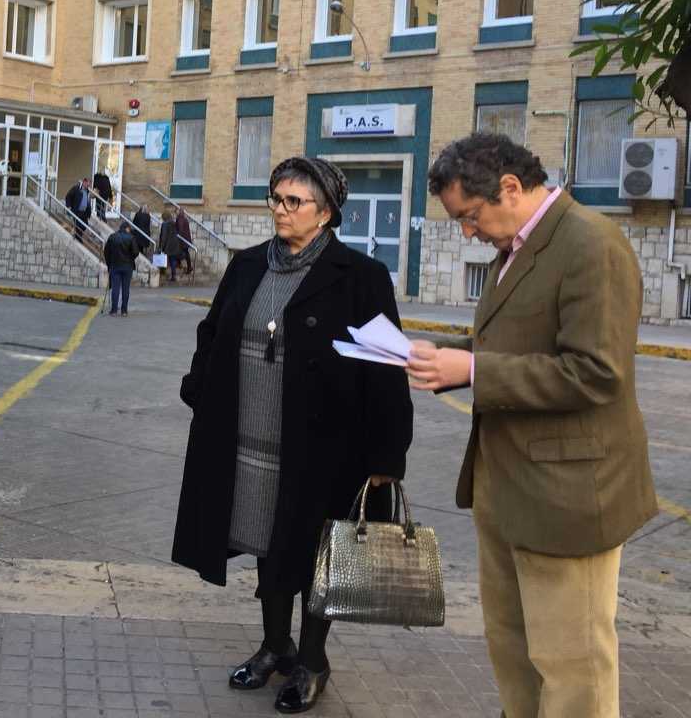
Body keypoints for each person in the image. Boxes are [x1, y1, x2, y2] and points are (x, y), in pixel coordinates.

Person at [406, 133, 656, 718]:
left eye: (469, 216)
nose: (467, 232)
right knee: (514, 649)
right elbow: (512, 342)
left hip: (569, 495)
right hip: (507, 483)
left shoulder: (591, 243)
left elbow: (596, 372)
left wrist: (474, 368)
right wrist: (449, 357)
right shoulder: (516, 247)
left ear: (511, 187)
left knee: (573, 667)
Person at [172, 156, 412, 715]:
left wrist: (387, 456)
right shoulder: (249, 266)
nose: (281, 210)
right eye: (276, 199)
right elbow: (213, 334)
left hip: (324, 450)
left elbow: (386, 369)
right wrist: (199, 391)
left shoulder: (360, 277)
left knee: (314, 557)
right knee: (265, 543)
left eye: (294, 202)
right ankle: (274, 646)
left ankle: (312, 660)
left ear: (326, 212)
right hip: (250, 441)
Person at [103, 223, 139, 316]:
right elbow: (136, 252)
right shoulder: (131, 238)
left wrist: (109, 263)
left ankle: (114, 310)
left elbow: (106, 251)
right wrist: (130, 258)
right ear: (127, 228)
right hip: (127, 266)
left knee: (115, 288)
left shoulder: (112, 237)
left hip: (115, 265)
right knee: (125, 288)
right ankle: (124, 311)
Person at [64, 177, 92, 242]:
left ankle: (78, 236)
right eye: (88, 184)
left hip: (84, 212)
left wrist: (89, 213)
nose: (88, 186)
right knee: (78, 225)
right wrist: (69, 206)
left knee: (85, 226)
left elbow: (88, 202)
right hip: (77, 211)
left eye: (89, 185)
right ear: (84, 182)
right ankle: (78, 238)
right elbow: (68, 196)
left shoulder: (87, 191)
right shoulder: (76, 188)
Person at [158, 210, 181, 281]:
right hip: (175, 244)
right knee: (172, 260)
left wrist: (161, 246)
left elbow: (164, 236)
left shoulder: (165, 224)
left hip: (168, 244)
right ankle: (173, 275)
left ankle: (162, 272)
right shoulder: (173, 223)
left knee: (162, 258)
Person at [175, 207, 194, 275]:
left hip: (183, 239)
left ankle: (182, 265)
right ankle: (187, 266)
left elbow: (180, 229)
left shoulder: (180, 218)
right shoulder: (184, 218)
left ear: (179, 212)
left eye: (176, 211)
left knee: (181, 252)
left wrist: (177, 236)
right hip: (186, 239)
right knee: (186, 253)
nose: (175, 213)